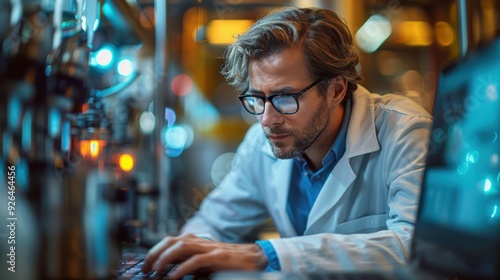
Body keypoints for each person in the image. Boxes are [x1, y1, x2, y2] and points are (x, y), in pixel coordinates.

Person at [142, 6, 433, 279]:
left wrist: (265, 255)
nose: (267, 119)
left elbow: (417, 246)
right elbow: (214, 222)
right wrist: (201, 250)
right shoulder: (261, 142)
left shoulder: (406, 133)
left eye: (285, 97)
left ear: (335, 90)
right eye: (257, 98)